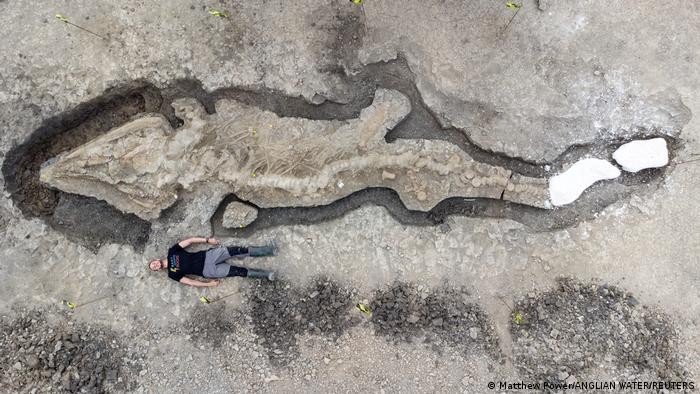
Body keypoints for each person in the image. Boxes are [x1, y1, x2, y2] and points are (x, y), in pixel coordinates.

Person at [148, 237, 276, 287]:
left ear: (155, 260)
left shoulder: (172, 251)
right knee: (238, 271)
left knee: (237, 250)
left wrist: (207, 240)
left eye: (153, 263)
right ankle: (268, 274)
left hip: (209, 256)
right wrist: (209, 284)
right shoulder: (172, 274)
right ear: (158, 269)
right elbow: (190, 282)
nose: (154, 265)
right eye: (153, 267)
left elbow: (190, 241)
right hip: (207, 271)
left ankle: (269, 250)